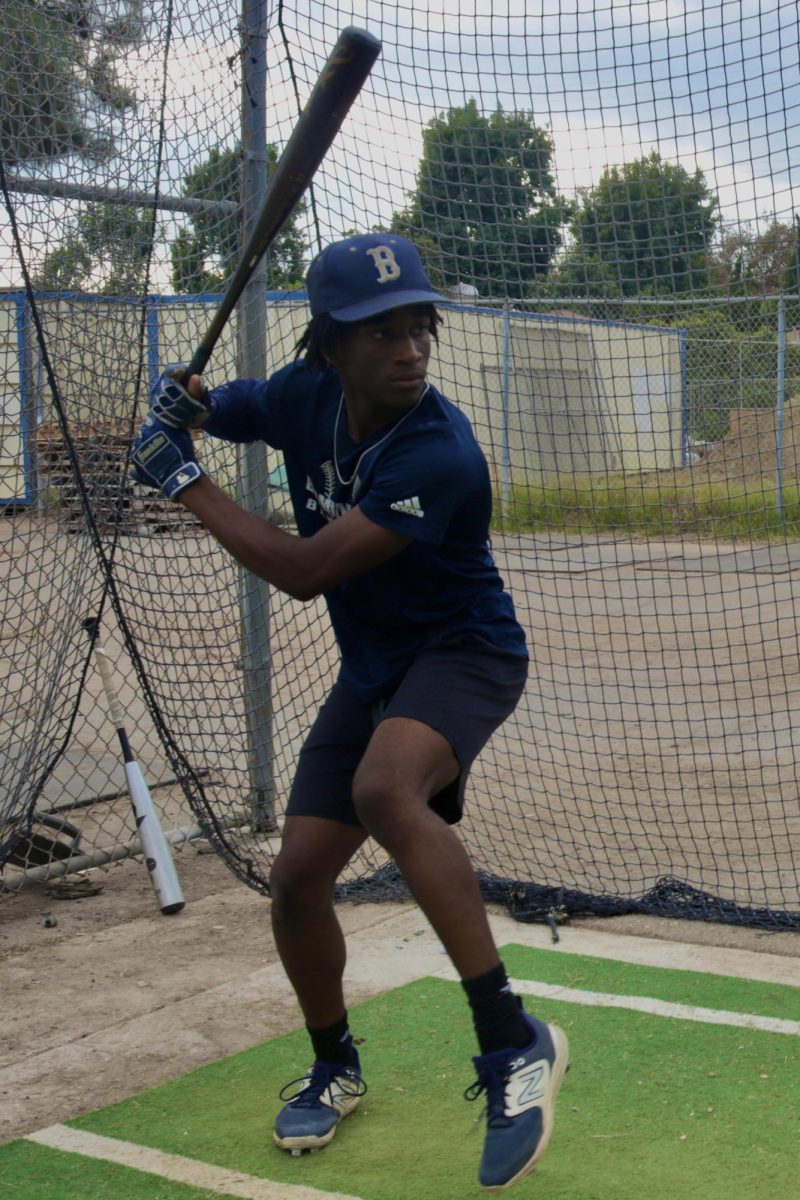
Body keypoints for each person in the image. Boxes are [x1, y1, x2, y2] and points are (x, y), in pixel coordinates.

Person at [130, 232, 569, 1192]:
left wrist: (181, 478)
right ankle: (334, 1064)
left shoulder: (438, 449)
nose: (409, 348)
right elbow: (231, 407)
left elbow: (301, 571)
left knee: (384, 788)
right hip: (372, 668)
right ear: (330, 347)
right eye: (381, 333)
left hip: (465, 652)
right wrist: (189, 405)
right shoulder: (304, 396)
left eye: (420, 325)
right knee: (294, 882)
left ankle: (512, 1042)